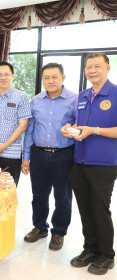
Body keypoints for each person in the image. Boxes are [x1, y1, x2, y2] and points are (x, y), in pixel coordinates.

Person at [61, 53, 117, 275]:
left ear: (107, 68)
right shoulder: (83, 96)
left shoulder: (115, 94)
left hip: (103, 164)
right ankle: (90, 249)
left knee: (100, 209)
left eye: (97, 66)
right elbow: (80, 124)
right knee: (85, 209)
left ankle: (106, 255)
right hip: (79, 162)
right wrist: (70, 129)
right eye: (88, 67)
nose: (92, 70)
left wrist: (94, 131)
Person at [21, 63, 77, 250]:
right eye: (46, 77)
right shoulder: (35, 101)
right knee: (39, 195)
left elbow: (80, 126)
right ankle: (40, 227)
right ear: (42, 79)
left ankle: (59, 232)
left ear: (63, 77)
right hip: (38, 155)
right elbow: (29, 131)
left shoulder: (74, 100)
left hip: (64, 155)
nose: (50, 81)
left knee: (63, 197)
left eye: (54, 77)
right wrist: (26, 157)